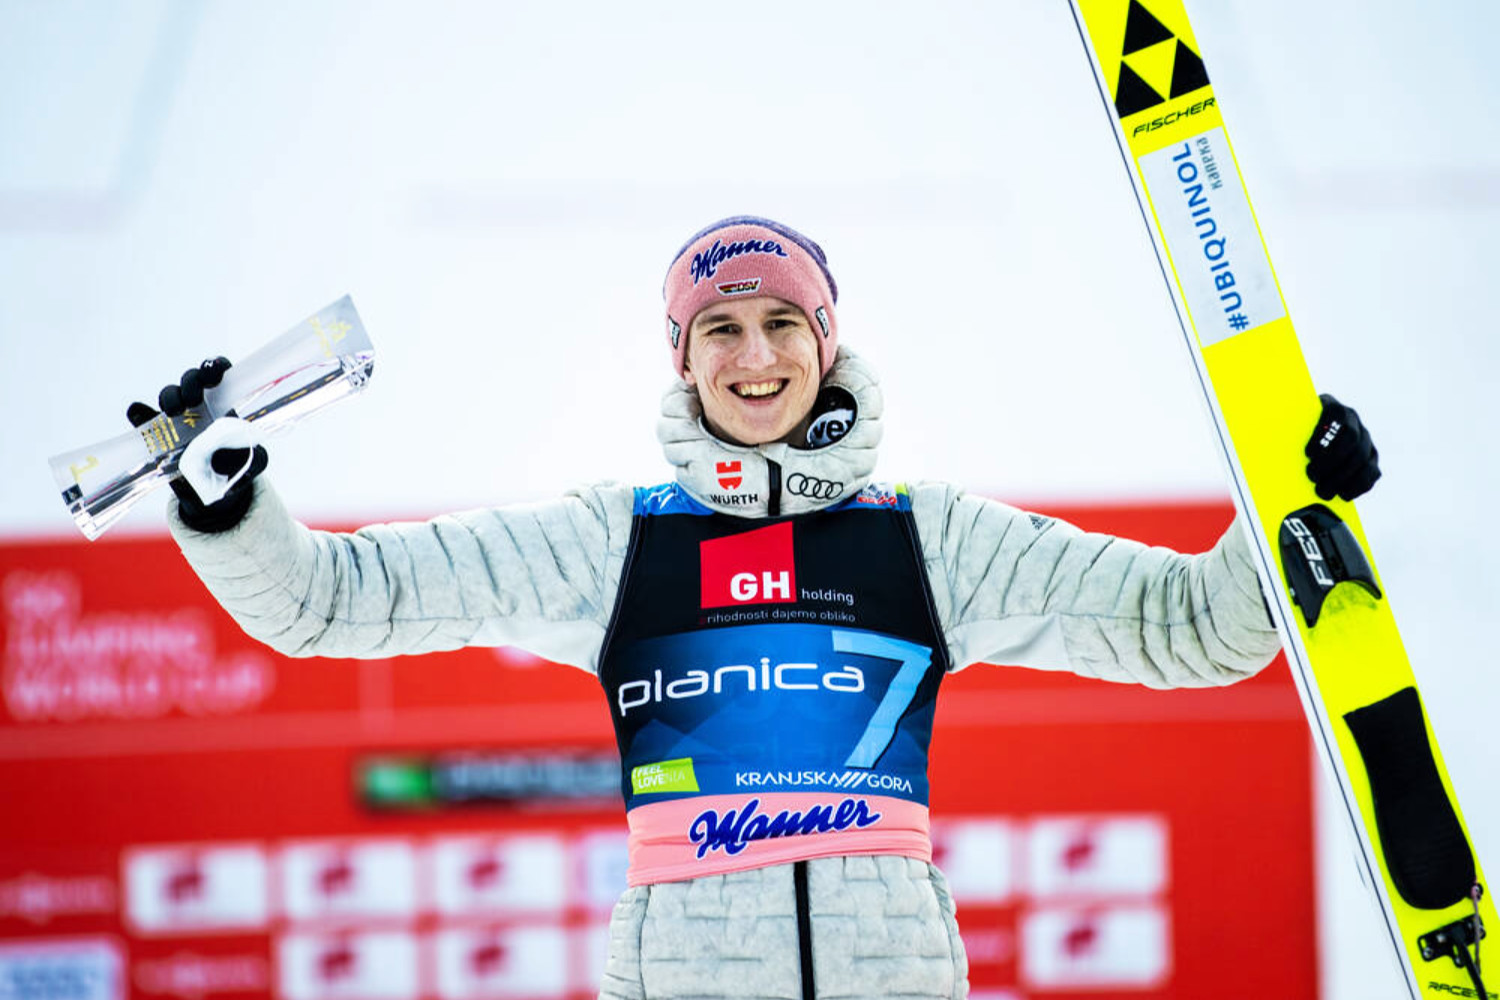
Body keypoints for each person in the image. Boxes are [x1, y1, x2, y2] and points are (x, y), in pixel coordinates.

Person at [137, 217, 1380, 999]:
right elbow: (331, 604)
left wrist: (1285, 506)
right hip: (680, 972)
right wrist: (225, 502)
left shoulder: (924, 535)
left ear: (825, 343)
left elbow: (1190, 630)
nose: (754, 355)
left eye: (783, 322)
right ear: (682, 358)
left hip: (893, 969)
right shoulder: (613, 541)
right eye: (719, 329)